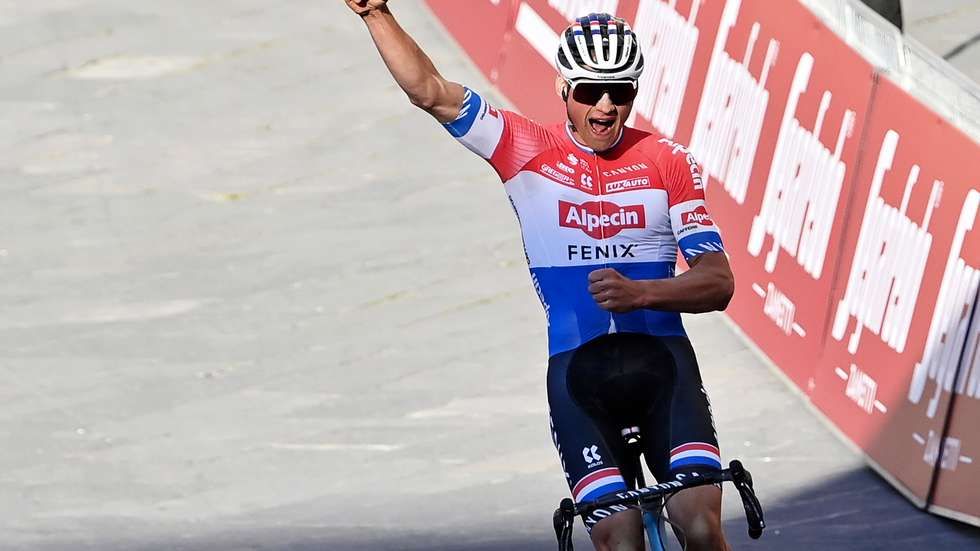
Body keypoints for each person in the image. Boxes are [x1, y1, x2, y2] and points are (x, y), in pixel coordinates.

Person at [344, 2, 735, 550]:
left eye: (620, 92)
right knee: (620, 541)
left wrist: (643, 292)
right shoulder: (523, 146)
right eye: (590, 91)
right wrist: (375, 14)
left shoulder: (668, 160)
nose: (605, 106)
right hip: (579, 375)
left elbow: (719, 282)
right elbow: (430, 92)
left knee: (701, 527)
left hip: (662, 367)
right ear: (563, 87)